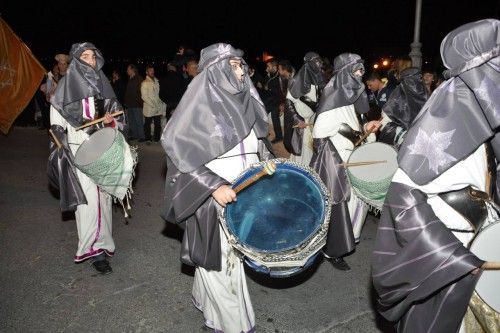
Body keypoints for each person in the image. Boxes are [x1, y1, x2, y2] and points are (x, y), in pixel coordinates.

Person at [371, 19, 500, 332]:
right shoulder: (443, 118)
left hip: (481, 233)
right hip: (450, 246)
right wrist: (449, 258)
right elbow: (402, 199)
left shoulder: (482, 114)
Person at [161, 43, 272, 333]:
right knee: (222, 263)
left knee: (225, 258)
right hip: (212, 198)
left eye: (240, 65)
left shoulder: (246, 101)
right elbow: (179, 157)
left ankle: (205, 301)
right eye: (231, 65)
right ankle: (233, 325)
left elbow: (258, 146)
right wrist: (212, 187)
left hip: (245, 195)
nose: (239, 71)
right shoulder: (197, 107)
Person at [48, 42, 126, 275]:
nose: (90, 60)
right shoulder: (65, 85)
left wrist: (112, 122)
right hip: (78, 149)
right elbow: (55, 123)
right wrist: (63, 148)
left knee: (103, 200)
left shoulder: (103, 84)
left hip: (101, 148)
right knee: (88, 203)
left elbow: (117, 117)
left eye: (93, 56)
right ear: (77, 60)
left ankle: (103, 244)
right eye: (85, 56)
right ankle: (92, 250)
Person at [310, 53, 378, 271]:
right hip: (339, 162)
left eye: (362, 70)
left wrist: (366, 130)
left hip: (352, 158)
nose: (361, 75)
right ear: (346, 73)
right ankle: (333, 249)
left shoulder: (348, 98)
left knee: (356, 206)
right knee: (342, 207)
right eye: (357, 70)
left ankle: (345, 243)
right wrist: (349, 134)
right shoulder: (334, 97)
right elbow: (320, 132)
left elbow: (355, 124)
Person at [284, 52, 325, 165]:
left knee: (313, 151)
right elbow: (289, 102)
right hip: (301, 124)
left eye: (319, 61)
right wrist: (297, 119)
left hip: (313, 122)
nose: (319, 64)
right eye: (316, 61)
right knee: (301, 153)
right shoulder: (296, 81)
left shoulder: (319, 80)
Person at [370, 67, 427, 149]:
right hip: (400, 146)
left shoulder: (427, 97)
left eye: (419, 79)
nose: (415, 84)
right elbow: (383, 124)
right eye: (411, 80)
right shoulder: (394, 101)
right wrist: (403, 135)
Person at [141, 64, 165, 143]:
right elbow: (144, 96)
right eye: (150, 70)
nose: (152, 72)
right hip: (149, 107)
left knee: (158, 124)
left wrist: (161, 104)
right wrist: (153, 104)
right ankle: (148, 139)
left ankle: (157, 138)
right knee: (147, 124)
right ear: (146, 72)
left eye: (153, 70)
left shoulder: (157, 81)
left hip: (157, 106)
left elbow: (159, 95)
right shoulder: (144, 83)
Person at [124, 64, 145, 141]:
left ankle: (142, 136)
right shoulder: (130, 79)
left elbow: (142, 92)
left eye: (128, 69)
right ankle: (135, 135)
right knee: (132, 121)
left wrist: (140, 102)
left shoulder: (139, 79)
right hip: (130, 104)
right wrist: (126, 102)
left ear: (132, 70)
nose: (127, 71)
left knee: (138, 120)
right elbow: (128, 92)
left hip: (136, 104)